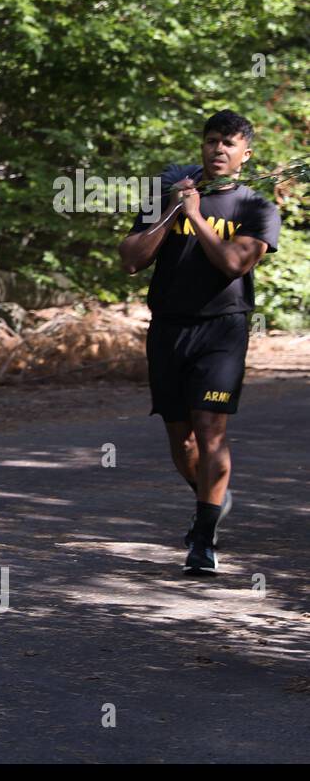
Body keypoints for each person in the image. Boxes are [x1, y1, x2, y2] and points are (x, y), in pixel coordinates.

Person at [117, 109, 281, 573]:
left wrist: (197, 216)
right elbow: (129, 260)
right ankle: (213, 498)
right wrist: (172, 212)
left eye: (229, 143)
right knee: (182, 440)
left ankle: (203, 539)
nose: (219, 149)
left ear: (245, 155)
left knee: (210, 431)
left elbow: (233, 263)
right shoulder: (168, 199)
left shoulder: (256, 208)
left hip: (222, 331)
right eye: (212, 141)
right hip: (169, 328)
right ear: (202, 147)